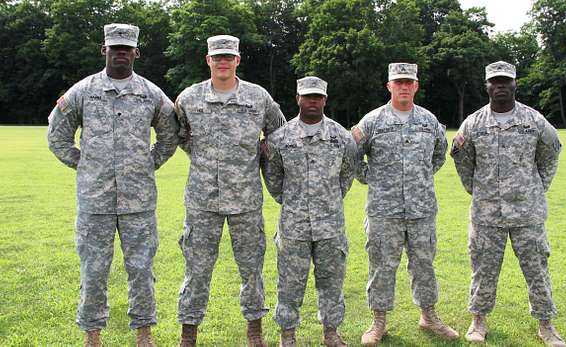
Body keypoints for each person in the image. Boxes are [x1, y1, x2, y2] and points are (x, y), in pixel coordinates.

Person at [47, 23, 179, 347]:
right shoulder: (83, 91)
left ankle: (144, 335)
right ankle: (92, 336)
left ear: (136, 52)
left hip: (139, 203)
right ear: (104, 51)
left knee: (142, 271)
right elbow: (56, 135)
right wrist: (84, 164)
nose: (121, 54)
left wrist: (149, 163)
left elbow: (170, 134)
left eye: (126, 49)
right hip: (95, 203)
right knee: (93, 272)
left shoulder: (150, 93)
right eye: (114, 48)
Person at [174, 34, 286, 347]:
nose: (223, 61)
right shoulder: (189, 98)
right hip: (202, 200)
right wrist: (202, 156)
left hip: (246, 199)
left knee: (252, 269)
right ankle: (188, 336)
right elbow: (179, 134)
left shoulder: (257, 96)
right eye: (217, 56)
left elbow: (280, 131)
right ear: (208, 60)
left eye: (229, 56)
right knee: (196, 270)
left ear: (237, 60)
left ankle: (255, 333)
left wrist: (265, 150)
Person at [450, 61, 565, 346]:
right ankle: (478, 320)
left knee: (537, 268)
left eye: (506, 81)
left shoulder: (534, 120)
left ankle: (546, 325)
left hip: (528, 212)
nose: (500, 85)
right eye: (495, 81)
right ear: (487, 86)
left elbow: (551, 152)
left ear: (516, 84)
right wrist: (478, 190)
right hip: (486, 214)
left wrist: (537, 187)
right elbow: (462, 161)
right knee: (483, 268)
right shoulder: (474, 123)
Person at [351, 63, 458, 346]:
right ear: (389, 86)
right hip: (383, 210)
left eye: (408, 82)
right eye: (398, 82)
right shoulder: (372, 121)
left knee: (424, 264)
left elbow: (439, 154)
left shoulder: (428, 121)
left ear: (416, 86)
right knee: (381, 266)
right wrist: (371, 178)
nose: (403, 86)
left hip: (422, 209)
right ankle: (378, 322)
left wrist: (418, 179)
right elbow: (352, 156)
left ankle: (429, 316)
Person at [261, 76, 356, 347]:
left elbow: (346, 176)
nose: (312, 101)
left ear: (325, 100)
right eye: (307, 96)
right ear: (298, 99)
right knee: (289, 284)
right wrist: (293, 201)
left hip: (330, 227)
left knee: (331, 283)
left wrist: (328, 201)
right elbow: (273, 179)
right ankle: (287, 335)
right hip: (294, 227)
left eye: (318, 97)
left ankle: (331, 333)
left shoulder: (341, 138)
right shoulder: (279, 139)